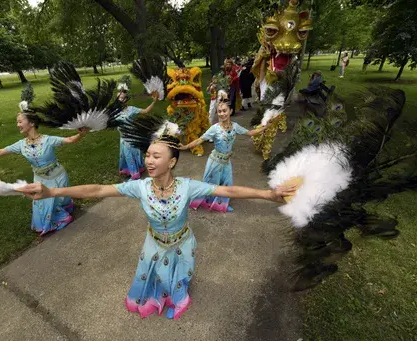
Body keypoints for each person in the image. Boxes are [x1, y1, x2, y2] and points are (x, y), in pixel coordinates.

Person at [17, 133, 296, 320]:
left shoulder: (188, 187)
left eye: (156, 156)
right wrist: (52, 193)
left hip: (181, 242)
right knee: (153, 277)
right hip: (154, 243)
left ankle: (176, 295)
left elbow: (229, 191)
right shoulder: (139, 187)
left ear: (172, 162)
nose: (149, 160)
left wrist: (267, 195)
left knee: (177, 278)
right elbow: (99, 189)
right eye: (148, 155)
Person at [0, 109, 88, 236]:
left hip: (57, 176)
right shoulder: (21, 145)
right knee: (43, 207)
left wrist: (80, 134)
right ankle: (60, 212)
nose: (18, 125)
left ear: (31, 123)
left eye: (20, 121)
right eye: (17, 122)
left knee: (60, 200)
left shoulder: (48, 140)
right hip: (40, 180)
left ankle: (64, 207)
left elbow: (70, 140)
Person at [180, 90, 269, 213]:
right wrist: (185, 147)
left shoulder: (235, 126)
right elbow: (199, 140)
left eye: (224, 111)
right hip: (215, 161)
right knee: (212, 184)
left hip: (226, 161)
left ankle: (221, 205)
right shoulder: (214, 129)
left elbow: (250, 133)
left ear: (230, 111)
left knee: (227, 184)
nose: (222, 114)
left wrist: (264, 127)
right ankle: (208, 202)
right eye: (219, 111)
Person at [115, 87, 159, 180]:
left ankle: (135, 174)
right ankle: (130, 170)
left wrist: (154, 102)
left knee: (132, 153)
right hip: (122, 137)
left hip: (131, 135)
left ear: (126, 99)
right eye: (118, 97)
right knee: (125, 153)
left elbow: (145, 111)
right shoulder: (114, 111)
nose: (120, 99)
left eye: (122, 97)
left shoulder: (131, 109)